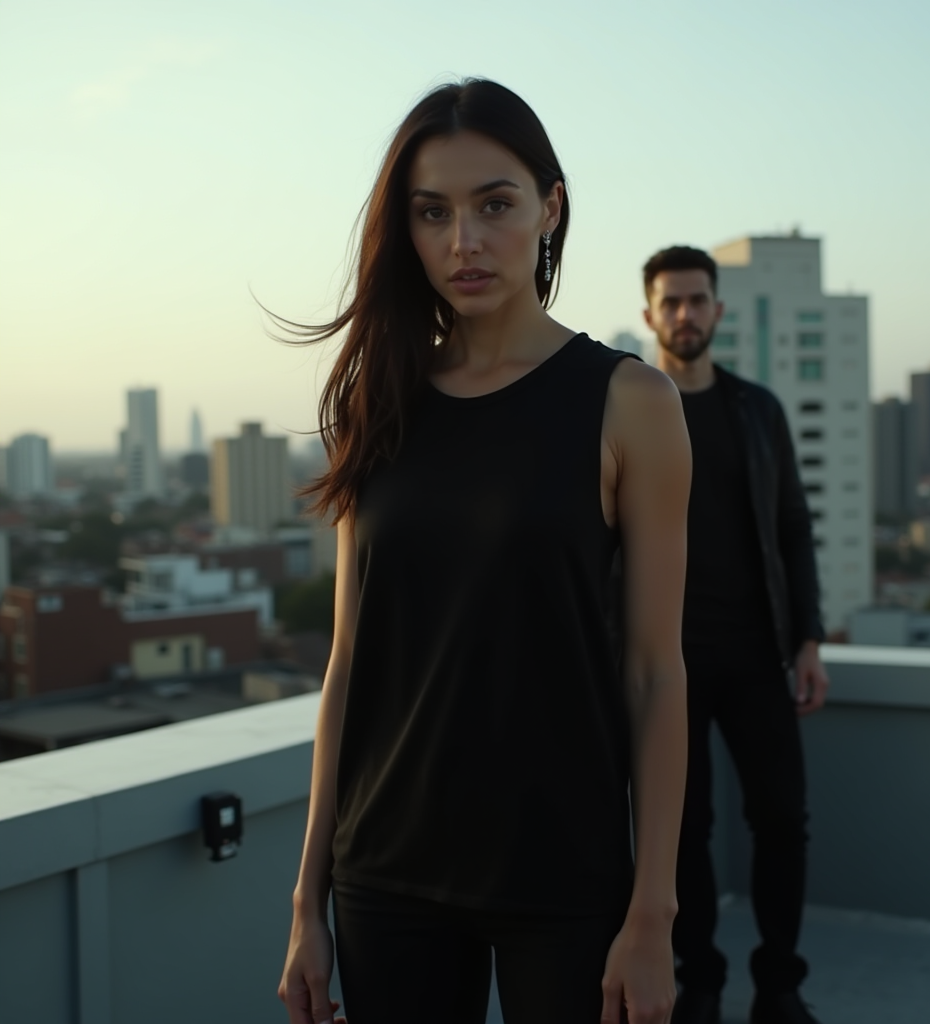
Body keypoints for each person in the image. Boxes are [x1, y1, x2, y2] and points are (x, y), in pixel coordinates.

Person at [276, 80, 693, 1024]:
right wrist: (308, 899)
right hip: (385, 870)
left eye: (494, 205)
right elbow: (348, 666)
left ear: (549, 208)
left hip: (563, 870)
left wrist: (654, 914)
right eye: (433, 213)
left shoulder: (630, 403)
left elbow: (656, 672)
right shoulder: (377, 403)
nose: (463, 242)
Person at [640, 247, 829, 1024]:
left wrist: (808, 640)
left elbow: (792, 528)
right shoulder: (626, 409)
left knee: (782, 818)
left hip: (756, 654)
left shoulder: (758, 411)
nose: (685, 314)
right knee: (682, 832)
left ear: (717, 311)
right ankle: (701, 983)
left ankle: (779, 985)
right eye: (671, 302)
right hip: (665, 662)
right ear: (649, 314)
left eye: (697, 300)